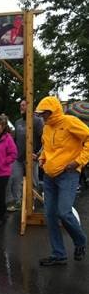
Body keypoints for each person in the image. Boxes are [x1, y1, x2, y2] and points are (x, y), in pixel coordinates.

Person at [35, 96, 89, 266]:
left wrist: (79, 161)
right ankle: (59, 254)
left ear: (52, 111)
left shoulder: (70, 121)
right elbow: (47, 148)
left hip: (68, 174)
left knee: (64, 212)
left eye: (44, 113)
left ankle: (80, 242)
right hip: (49, 176)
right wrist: (42, 158)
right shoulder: (46, 128)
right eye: (40, 114)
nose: (42, 116)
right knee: (50, 216)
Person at [7, 99, 44, 211]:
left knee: (33, 181)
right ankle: (18, 202)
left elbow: (44, 140)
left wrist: (38, 154)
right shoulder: (18, 122)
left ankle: (31, 203)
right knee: (16, 179)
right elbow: (15, 139)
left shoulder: (37, 121)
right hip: (18, 158)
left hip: (32, 157)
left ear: (30, 107)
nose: (21, 107)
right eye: (20, 105)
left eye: (23, 105)